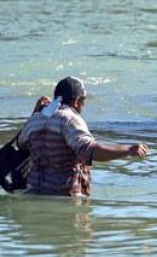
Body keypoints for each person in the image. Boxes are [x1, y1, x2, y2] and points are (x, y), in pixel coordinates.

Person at [18, 76, 149, 197]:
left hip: (34, 192)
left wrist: (34, 112)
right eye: (83, 101)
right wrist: (128, 150)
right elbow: (91, 151)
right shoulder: (69, 120)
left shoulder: (34, 119)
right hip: (65, 198)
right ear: (76, 101)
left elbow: (20, 144)